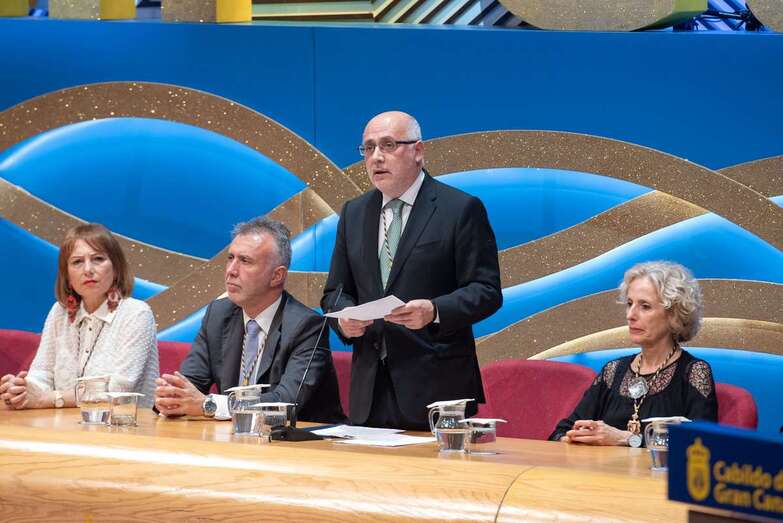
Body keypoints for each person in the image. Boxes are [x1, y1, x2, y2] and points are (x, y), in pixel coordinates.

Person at [321, 111, 502, 430]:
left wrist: (433, 310)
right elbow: (335, 292)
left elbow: (486, 291)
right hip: (369, 391)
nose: (376, 157)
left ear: (418, 150)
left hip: (437, 389)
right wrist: (345, 319)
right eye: (368, 148)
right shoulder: (354, 212)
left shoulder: (459, 209)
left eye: (388, 145)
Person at [154, 217, 344, 423]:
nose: (231, 270)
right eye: (230, 258)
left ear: (277, 276)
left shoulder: (307, 327)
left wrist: (207, 405)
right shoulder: (218, 315)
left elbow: (286, 404)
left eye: (245, 261)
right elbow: (192, 382)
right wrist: (172, 397)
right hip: (236, 440)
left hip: (303, 446)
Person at [549, 261, 718, 447]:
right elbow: (561, 431)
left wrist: (627, 439)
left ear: (674, 315)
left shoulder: (694, 372)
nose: (631, 315)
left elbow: (703, 445)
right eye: (629, 304)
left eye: (645, 306)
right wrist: (573, 438)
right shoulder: (613, 371)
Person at [0, 223, 158, 409]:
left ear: (116, 268)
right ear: (67, 275)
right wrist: (23, 390)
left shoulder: (136, 313)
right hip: (62, 427)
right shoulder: (60, 313)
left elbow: (118, 389)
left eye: (98, 259)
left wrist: (48, 399)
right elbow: (42, 373)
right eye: (77, 262)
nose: (88, 270)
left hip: (121, 429)